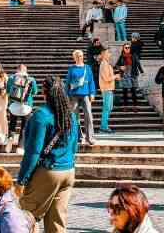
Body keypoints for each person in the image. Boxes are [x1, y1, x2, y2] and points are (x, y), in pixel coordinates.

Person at [17, 76, 79, 233]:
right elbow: (73, 147)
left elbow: (33, 152)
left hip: (49, 171)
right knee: (56, 222)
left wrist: (22, 180)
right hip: (68, 171)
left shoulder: (41, 115)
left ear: (44, 93)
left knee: (26, 215)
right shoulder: (71, 115)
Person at [65, 50, 96, 146]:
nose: (80, 57)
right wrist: (66, 95)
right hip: (73, 95)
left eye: (81, 56)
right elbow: (67, 82)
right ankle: (77, 137)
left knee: (89, 116)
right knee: (74, 117)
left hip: (85, 94)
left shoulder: (87, 68)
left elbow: (91, 81)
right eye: (77, 56)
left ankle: (89, 137)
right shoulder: (71, 69)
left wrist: (92, 93)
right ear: (74, 57)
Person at [6, 65, 38, 146]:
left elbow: (7, 91)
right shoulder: (31, 79)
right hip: (26, 106)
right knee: (24, 127)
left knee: (12, 123)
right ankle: (21, 146)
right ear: (26, 70)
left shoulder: (11, 78)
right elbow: (34, 92)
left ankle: (10, 137)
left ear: (17, 70)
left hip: (13, 106)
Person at [115, 43, 143, 112]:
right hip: (124, 75)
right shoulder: (121, 56)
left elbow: (138, 63)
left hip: (133, 74)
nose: (127, 49)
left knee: (133, 91)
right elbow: (116, 65)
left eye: (128, 47)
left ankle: (135, 106)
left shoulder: (134, 55)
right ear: (123, 49)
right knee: (125, 91)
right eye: (126, 48)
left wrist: (142, 71)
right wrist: (120, 67)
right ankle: (125, 106)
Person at [98, 48, 118, 134]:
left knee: (109, 108)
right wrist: (115, 76)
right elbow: (106, 78)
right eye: (108, 53)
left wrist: (115, 75)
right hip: (106, 89)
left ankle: (104, 126)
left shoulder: (106, 64)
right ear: (103, 55)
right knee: (107, 108)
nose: (109, 54)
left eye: (109, 52)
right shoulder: (104, 64)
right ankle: (103, 128)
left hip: (109, 89)